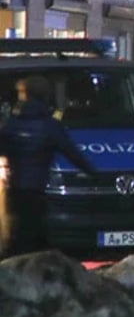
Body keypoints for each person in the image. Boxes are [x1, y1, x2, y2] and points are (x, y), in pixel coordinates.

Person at [1, 76, 97, 256]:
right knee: (36, 240)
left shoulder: (11, 124)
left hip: (13, 191)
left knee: (15, 239)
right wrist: (92, 172)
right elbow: (72, 153)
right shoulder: (50, 126)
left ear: (25, 95)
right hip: (36, 190)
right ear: (45, 96)